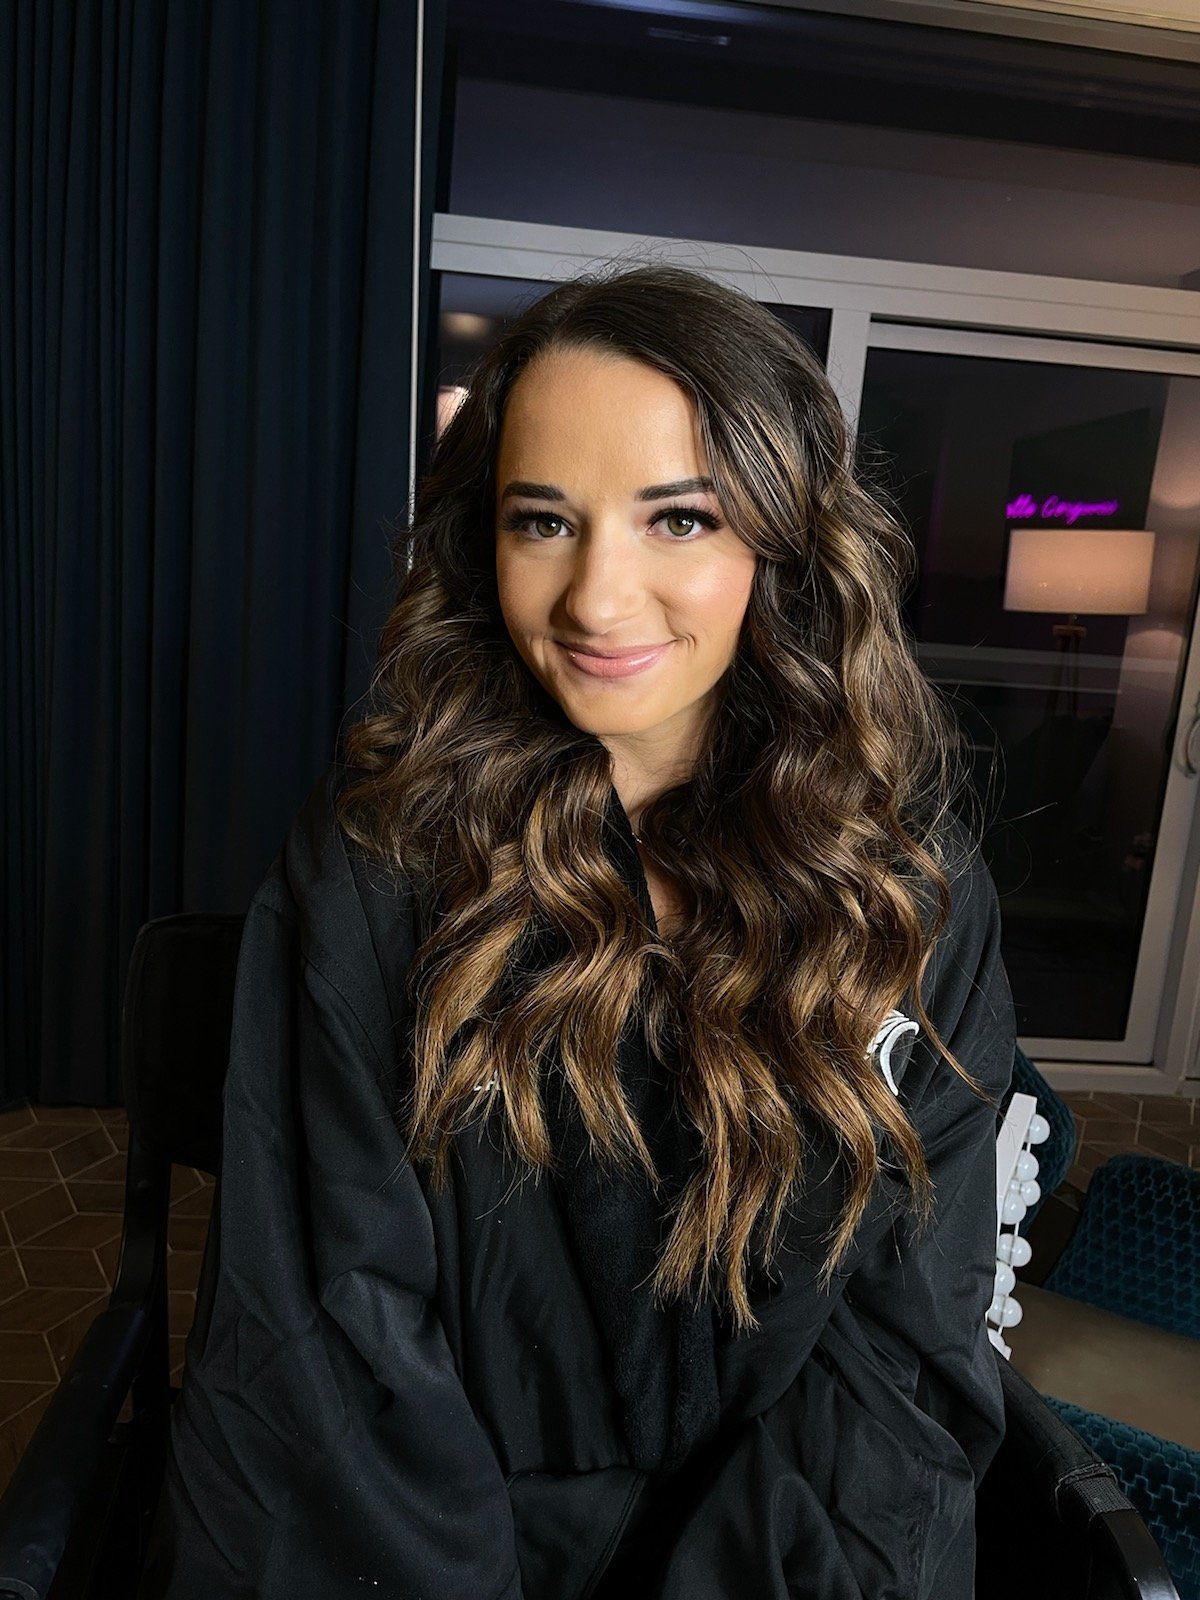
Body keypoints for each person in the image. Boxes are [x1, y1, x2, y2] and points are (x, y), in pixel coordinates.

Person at [138, 261, 1018, 1599]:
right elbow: (326, 1335)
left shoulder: (904, 894)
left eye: (679, 521)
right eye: (542, 522)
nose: (597, 601)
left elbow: (901, 1353)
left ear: (781, 538)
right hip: (431, 1549)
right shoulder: (381, 861)